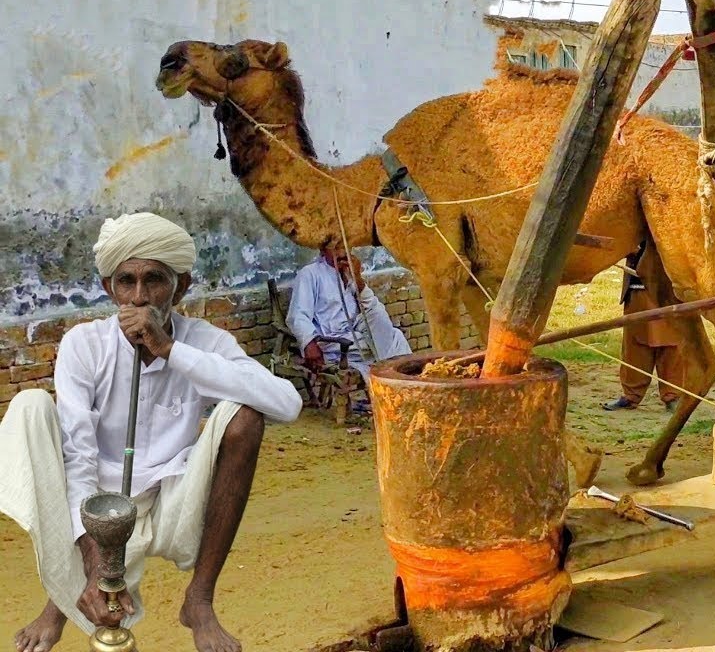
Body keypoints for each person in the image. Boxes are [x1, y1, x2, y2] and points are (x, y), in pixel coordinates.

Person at [0, 212, 303, 652]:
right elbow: (79, 457)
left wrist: (172, 351)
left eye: (155, 281)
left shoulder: (205, 342)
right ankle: (61, 604)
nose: (139, 297)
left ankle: (199, 600)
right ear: (109, 288)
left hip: (171, 497)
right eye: (127, 281)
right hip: (96, 498)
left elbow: (288, 405)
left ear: (182, 286)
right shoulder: (83, 345)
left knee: (245, 417)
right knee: (29, 408)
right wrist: (94, 560)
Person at [286, 245, 411, 387]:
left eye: (344, 248)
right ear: (323, 250)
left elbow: (369, 306)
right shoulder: (310, 274)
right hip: (333, 341)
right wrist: (309, 343)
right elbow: (298, 315)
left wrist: (356, 277)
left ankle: (399, 384)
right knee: (395, 340)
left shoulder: (348, 271)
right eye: (335, 248)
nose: (341, 253)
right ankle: (398, 386)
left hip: (356, 333)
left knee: (387, 326)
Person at [601, 241, 684, 414]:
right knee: (634, 346)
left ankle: (673, 396)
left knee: (671, 344)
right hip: (637, 287)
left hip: (670, 288)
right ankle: (631, 395)